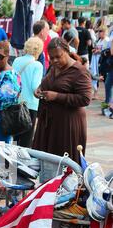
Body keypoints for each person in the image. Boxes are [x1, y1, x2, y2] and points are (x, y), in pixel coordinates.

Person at [32, 37, 92, 165]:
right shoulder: (53, 67)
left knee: (64, 164)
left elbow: (85, 99)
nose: (54, 61)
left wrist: (57, 96)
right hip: (49, 122)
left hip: (68, 124)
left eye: (58, 57)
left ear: (67, 51)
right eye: (51, 58)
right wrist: (39, 89)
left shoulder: (80, 72)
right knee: (47, 163)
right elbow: (47, 83)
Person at [12, 37, 44, 148]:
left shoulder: (16, 61)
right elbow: (35, 86)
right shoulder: (37, 65)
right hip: (30, 104)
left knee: (15, 137)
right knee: (26, 139)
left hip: (16, 102)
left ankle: (11, 162)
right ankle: (22, 163)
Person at [90, 26, 110, 99]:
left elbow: (108, 51)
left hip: (104, 62)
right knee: (97, 76)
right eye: (98, 31)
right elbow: (97, 48)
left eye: (100, 31)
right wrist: (94, 50)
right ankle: (95, 93)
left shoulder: (107, 40)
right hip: (97, 61)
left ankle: (108, 96)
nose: (99, 33)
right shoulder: (99, 40)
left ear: (104, 32)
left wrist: (99, 51)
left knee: (105, 78)